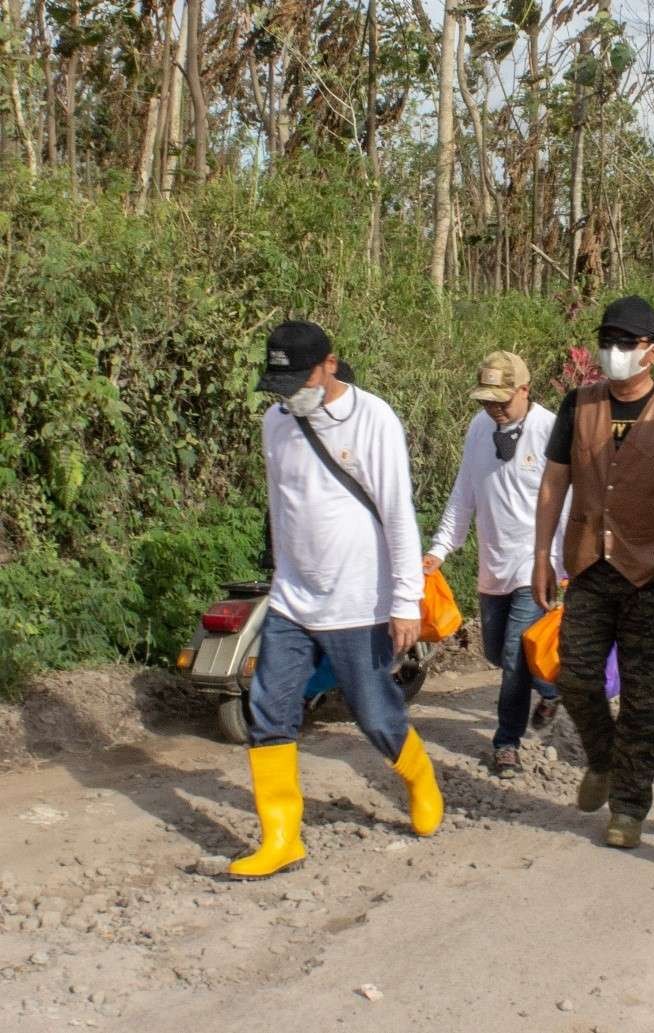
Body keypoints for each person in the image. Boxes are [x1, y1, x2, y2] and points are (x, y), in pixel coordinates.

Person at [231, 321, 443, 879]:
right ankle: (281, 837)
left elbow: (398, 512)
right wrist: (279, 576)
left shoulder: (374, 418)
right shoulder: (275, 423)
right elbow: (283, 507)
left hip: (358, 599)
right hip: (293, 600)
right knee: (270, 708)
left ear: (329, 365)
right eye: (280, 383)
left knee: (373, 714)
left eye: (299, 379)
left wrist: (406, 601)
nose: (289, 393)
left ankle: (419, 775)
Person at [532, 296, 654, 848]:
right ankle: (604, 760)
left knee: (641, 698)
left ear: (651, 353)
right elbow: (553, 483)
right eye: (606, 341)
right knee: (575, 678)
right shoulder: (577, 405)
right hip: (588, 565)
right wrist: (540, 555)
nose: (612, 353)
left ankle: (630, 806)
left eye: (625, 344)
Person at [425, 352, 564, 780]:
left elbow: (570, 501)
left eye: (502, 400)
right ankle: (554, 687)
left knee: (515, 656)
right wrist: (439, 549)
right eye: (486, 400)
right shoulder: (478, 427)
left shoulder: (551, 429)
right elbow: (464, 492)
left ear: (525, 389)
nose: (493, 408)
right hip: (493, 565)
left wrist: (561, 565)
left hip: (535, 564)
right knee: (496, 653)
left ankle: (506, 743)